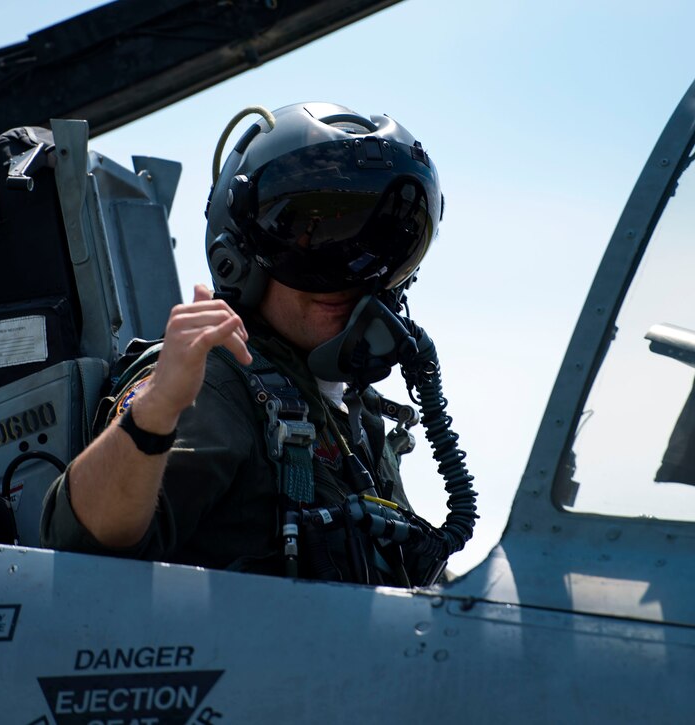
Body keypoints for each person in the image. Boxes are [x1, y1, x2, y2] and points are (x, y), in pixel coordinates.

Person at [41, 102, 446, 582]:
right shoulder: (212, 383)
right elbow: (81, 540)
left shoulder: (355, 415)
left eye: (376, 247)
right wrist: (158, 406)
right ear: (237, 256)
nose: (348, 276)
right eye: (316, 241)